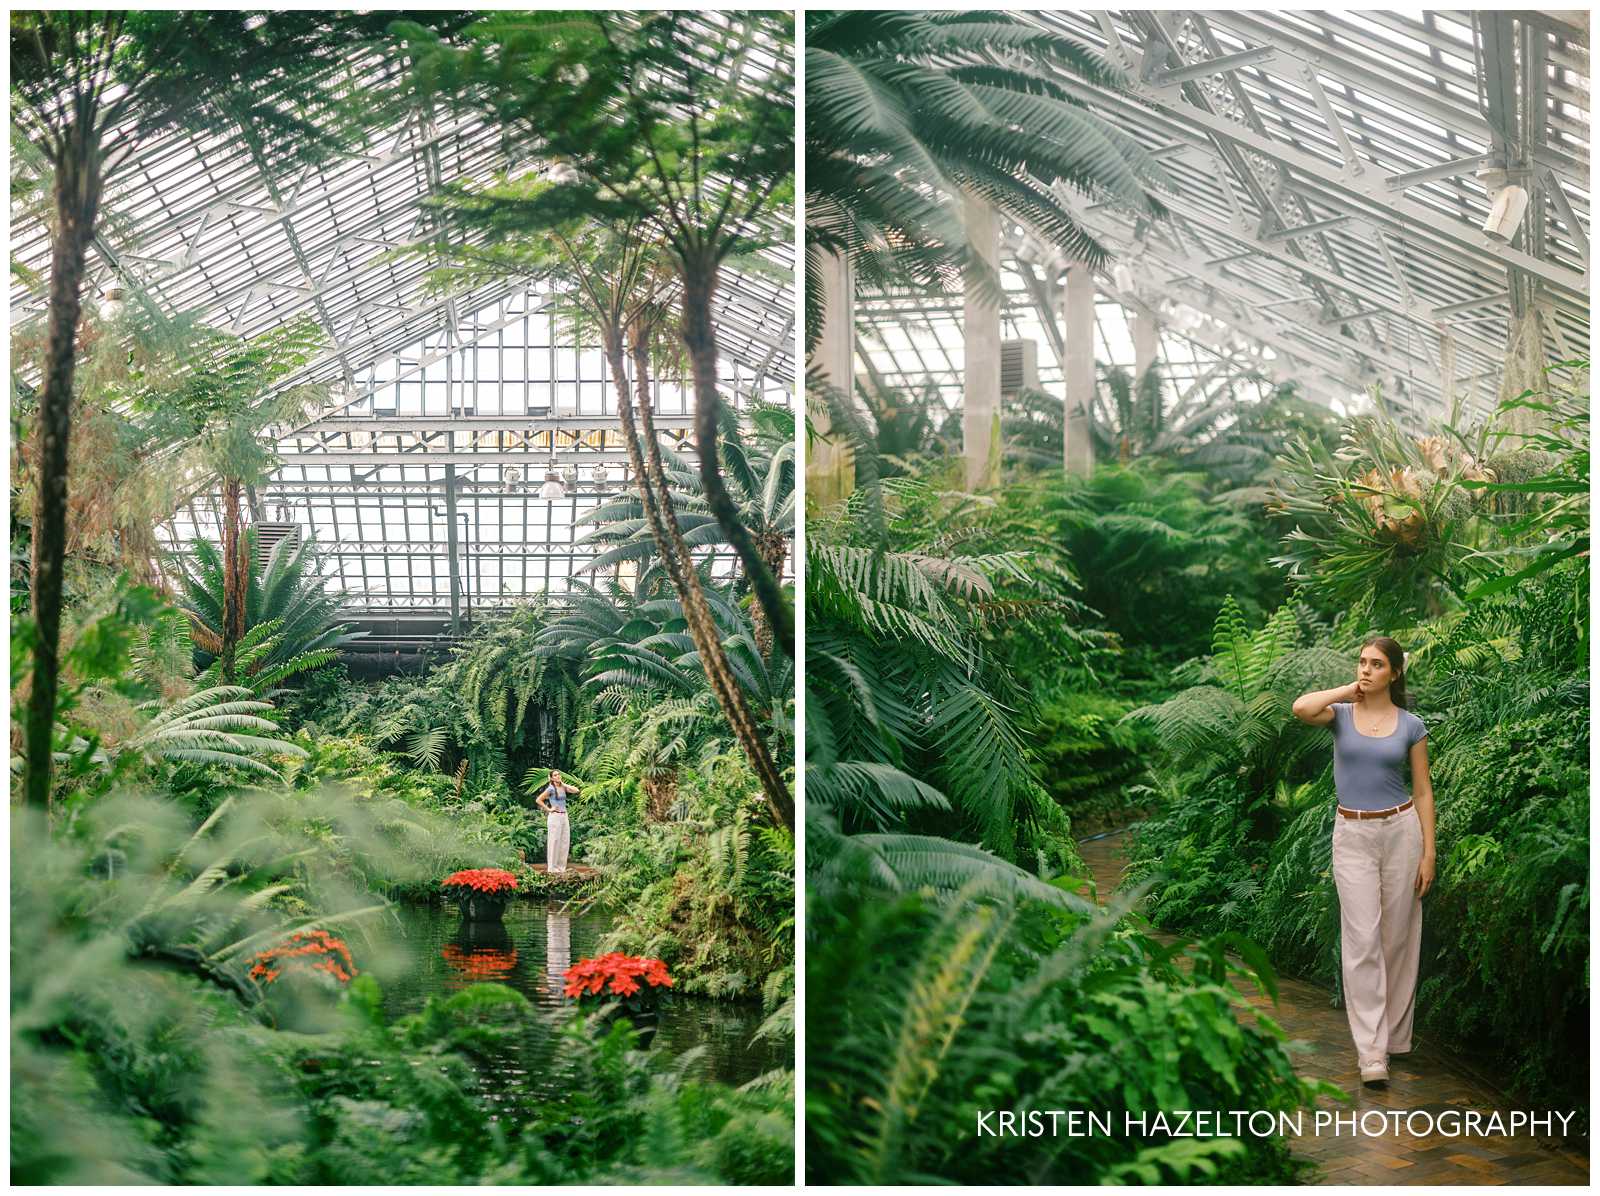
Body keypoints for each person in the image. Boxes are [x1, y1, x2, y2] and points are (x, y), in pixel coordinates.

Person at [1292, 636, 1435, 1087]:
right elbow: (1300, 708)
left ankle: (1395, 1038)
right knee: (1361, 939)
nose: (1367, 669)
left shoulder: (1411, 725)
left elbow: (1424, 791)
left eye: (1377, 664)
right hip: (1352, 834)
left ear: (1395, 673)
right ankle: (1371, 1053)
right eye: (1362, 662)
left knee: (1398, 936)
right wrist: (1344, 690)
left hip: (1400, 832)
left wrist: (1429, 851)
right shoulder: (1341, 717)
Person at [535, 769, 580, 874]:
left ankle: (561, 867)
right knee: (554, 841)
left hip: (564, 816)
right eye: (555, 775)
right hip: (555, 817)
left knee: (564, 841)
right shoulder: (551, 789)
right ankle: (552, 868)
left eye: (559, 774)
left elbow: (576, 790)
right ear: (551, 778)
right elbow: (538, 800)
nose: (558, 776)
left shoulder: (563, 787)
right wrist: (549, 809)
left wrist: (563, 784)